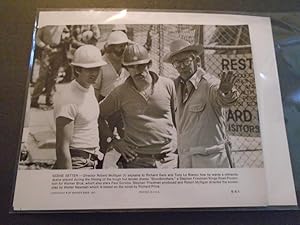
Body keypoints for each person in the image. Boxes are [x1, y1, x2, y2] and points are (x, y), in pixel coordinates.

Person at [99, 43, 178, 168]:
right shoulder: (120, 92)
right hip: (137, 160)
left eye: (141, 66)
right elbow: (97, 114)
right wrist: (114, 141)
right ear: (126, 68)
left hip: (168, 160)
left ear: (149, 64)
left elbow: (178, 119)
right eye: (132, 67)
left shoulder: (168, 85)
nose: (137, 71)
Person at [164, 39, 239, 168]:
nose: (182, 66)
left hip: (211, 162)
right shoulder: (175, 86)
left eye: (186, 61)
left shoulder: (209, 84)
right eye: (177, 63)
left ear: (197, 61)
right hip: (185, 161)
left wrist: (226, 92)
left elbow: (224, 99)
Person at [52, 45, 107, 169]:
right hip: (77, 162)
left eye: (97, 68)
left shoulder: (89, 88)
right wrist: (68, 180)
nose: (94, 73)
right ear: (77, 70)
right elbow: (62, 147)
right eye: (89, 69)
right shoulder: (68, 99)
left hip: (91, 159)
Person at [31, 25, 68, 108]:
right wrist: (44, 46)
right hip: (47, 51)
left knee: (54, 77)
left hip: (58, 51)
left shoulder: (61, 24)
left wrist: (65, 37)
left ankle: (49, 99)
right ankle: (34, 99)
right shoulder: (44, 25)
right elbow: (37, 38)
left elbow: (67, 33)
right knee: (42, 76)